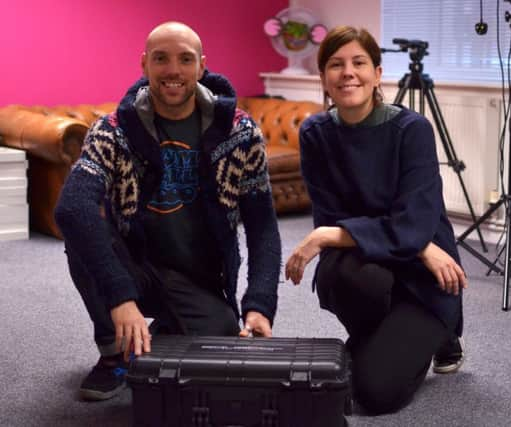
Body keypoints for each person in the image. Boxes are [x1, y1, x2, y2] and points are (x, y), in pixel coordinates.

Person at [54, 21, 281, 401]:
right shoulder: (112, 130)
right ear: (144, 65)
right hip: (133, 266)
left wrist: (259, 304)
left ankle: (164, 332)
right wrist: (120, 296)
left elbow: (262, 227)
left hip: (197, 277)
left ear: (202, 66)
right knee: (84, 232)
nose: (173, 70)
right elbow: (71, 208)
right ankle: (113, 353)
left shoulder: (239, 132)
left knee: (220, 352)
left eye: (185, 59)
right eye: (161, 59)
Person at [285, 26, 467, 415]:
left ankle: (440, 331)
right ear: (323, 79)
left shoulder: (412, 129)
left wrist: (326, 235)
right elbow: (334, 216)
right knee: (346, 276)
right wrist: (336, 232)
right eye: (335, 64)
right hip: (371, 262)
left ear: (378, 74)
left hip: (425, 274)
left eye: (358, 62)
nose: (348, 72)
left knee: (374, 393)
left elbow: (415, 222)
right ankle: (384, 339)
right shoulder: (315, 133)